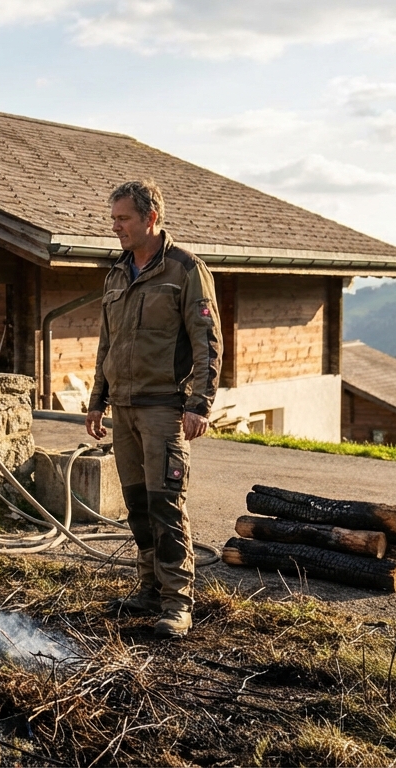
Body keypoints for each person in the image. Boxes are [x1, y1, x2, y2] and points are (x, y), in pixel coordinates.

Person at [85, 179, 222, 639]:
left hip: (165, 407)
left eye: (123, 219)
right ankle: (147, 591)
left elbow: (207, 342)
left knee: (166, 504)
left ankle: (177, 603)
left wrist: (200, 404)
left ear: (151, 218)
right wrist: (97, 400)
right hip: (122, 407)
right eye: (114, 219)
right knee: (138, 505)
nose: (116, 227)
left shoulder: (186, 270)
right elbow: (108, 341)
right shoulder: (117, 273)